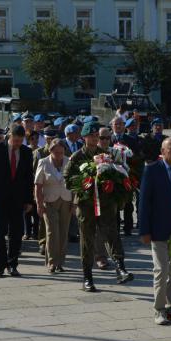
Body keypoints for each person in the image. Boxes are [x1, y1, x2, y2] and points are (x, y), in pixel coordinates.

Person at [64, 122, 134, 292]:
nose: (95, 138)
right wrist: (83, 183)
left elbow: (117, 173)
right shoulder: (77, 157)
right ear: (84, 138)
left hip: (106, 204)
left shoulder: (107, 155)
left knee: (112, 234)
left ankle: (120, 268)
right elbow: (67, 179)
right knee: (87, 240)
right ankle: (87, 277)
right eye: (92, 135)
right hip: (86, 205)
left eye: (97, 136)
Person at [139, 137, 171, 325]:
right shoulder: (152, 170)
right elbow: (144, 202)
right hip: (158, 230)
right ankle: (159, 309)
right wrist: (144, 230)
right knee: (161, 270)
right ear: (162, 150)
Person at [0, 125, 35, 278]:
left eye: (20, 141)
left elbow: (28, 178)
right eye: (15, 140)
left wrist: (28, 200)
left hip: (18, 199)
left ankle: (13, 264)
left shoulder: (26, 152)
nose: (18, 144)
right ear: (9, 136)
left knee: (16, 232)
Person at [35, 138, 73, 274]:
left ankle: (60, 262)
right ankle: (52, 262)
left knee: (63, 232)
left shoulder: (69, 161)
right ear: (50, 151)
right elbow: (38, 185)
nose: (59, 155)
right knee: (52, 232)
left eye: (61, 152)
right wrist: (39, 204)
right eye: (56, 152)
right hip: (49, 201)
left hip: (66, 200)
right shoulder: (43, 162)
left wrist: (74, 203)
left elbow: (74, 183)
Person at [23, 130, 40, 240]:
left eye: (37, 138)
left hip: (37, 182)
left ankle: (36, 232)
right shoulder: (25, 150)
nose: (35, 140)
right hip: (27, 183)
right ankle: (27, 232)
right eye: (32, 138)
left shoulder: (40, 151)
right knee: (27, 209)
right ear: (28, 139)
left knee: (36, 209)